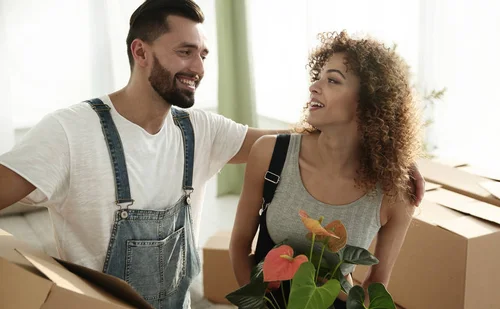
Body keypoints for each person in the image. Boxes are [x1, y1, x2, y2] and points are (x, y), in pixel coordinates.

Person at [0, 1, 425, 308]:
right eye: (184, 51)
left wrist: (388, 149)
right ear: (140, 52)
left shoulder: (200, 130)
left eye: (202, 54)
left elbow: (308, 141)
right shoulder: (70, 131)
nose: (199, 67)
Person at [229, 30, 422, 308]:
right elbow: (239, 245)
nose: (314, 87)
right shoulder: (269, 154)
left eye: (332, 80)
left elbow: (377, 283)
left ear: (369, 102)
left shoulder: (396, 193)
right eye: (317, 77)